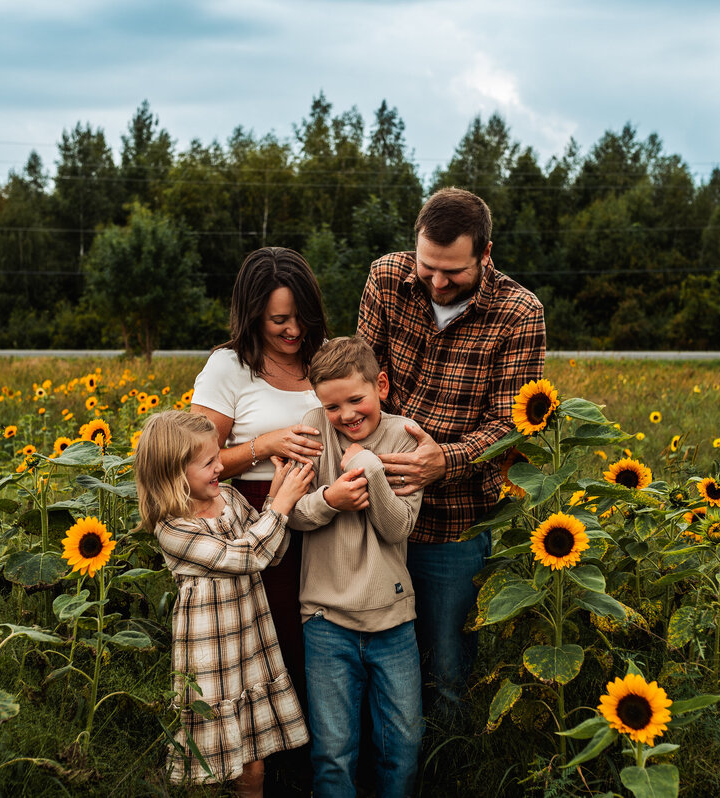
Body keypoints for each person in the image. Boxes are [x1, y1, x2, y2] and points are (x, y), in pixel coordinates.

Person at [356, 187, 546, 729]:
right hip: (374, 507)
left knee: (447, 666)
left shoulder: (518, 313)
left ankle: (451, 766)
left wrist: (448, 461)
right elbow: (359, 380)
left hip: (454, 520)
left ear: (486, 254)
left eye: (454, 272)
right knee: (370, 655)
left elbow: (512, 425)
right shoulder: (388, 278)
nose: (437, 282)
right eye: (428, 267)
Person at [190, 246, 328, 793]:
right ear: (252, 316)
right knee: (278, 652)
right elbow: (193, 461)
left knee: (326, 651)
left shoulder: (325, 359)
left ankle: (329, 770)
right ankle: (279, 777)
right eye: (278, 320)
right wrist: (263, 445)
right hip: (261, 524)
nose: (293, 329)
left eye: (301, 317)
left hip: (330, 522)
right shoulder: (229, 366)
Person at [136, 410, 316, 796]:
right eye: (208, 463)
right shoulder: (173, 528)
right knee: (213, 766)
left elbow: (275, 551)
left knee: (253, 762)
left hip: (249, 644)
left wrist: (275, 498)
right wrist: (279, 507)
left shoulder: (230, 499)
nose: (221, 466)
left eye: (218, 455)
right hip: (210, 656)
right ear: (173, 473)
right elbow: (246, 558)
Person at [287, 336, 424, 798]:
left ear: (380, 385)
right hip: (325, 619)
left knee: (403, 743)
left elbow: (398, 527)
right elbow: (286, 512)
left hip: (392, 619)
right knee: (333, 752)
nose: (345, 415)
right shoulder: (310, 431)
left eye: (355, 399)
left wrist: (373, 471)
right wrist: (330, 499)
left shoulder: (406, 436)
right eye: (331, 406)